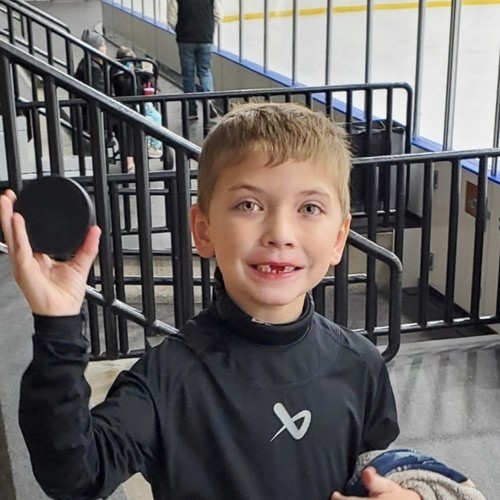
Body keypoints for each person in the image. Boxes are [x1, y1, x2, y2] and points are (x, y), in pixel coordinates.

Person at [0, 103, 485, 499]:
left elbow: (372, 469)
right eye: (249, 205)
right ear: (204, 229)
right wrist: (58, 326)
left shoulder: (360, 364)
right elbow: (75, 476)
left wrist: (403, 492)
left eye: (309, 207)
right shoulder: (167, 380)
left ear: (339, 238)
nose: (280, 232)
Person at [75, 30, 135, 172]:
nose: (106, 48)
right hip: (96, 115)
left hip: (92, 112)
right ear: (95, 49)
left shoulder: (88, 64)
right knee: (129, 121)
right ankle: (128, 159)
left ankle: (127, 157)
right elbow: (98, 94)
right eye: (102, 45)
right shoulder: (93, 69)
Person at [167, 0, 222, 121]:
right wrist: (207, 29)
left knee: (188, 75)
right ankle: (208, 102)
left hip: (185, 40)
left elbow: (171, 19)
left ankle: (191, 109)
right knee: (205, 71)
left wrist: (182, 31)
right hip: (205, 38)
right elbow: (218, 15)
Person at [111, 46, 163, 160]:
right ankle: (151, 145)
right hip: (129, 105)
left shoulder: (137, 73)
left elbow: (151, 80)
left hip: (141, 103)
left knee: (156, 117)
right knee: (150, 119)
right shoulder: (117, 75)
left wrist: (150, 82)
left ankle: (153, 146)